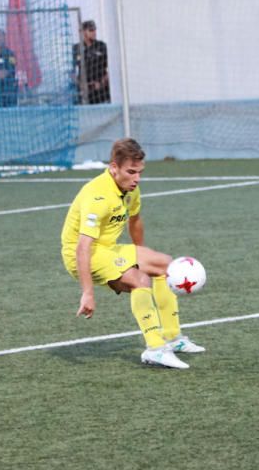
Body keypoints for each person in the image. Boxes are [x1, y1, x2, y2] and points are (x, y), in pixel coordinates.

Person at [61, 137, 205, 369]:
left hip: (108, 248)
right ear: (113, 167)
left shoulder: (130, 188)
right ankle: (155, 349)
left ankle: (172, 337)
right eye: (131, 171)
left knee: (164, 265)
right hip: (82, 254)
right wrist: (87, 292)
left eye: (140, 172)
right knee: (140, 280)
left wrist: (140, 253)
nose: (137, 178)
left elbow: (135, 220)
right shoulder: (97, 197)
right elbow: (82, 247)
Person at [72, 20, 110, 105]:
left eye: (95, 30)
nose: (94, 32)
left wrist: (101, 83)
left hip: (101, 93)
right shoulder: (76, 48)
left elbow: (111, 69)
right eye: (91, 30)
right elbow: (71, 72)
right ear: (83, 32)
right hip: (85, 94)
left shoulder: (101, 46)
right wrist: (81, 85)